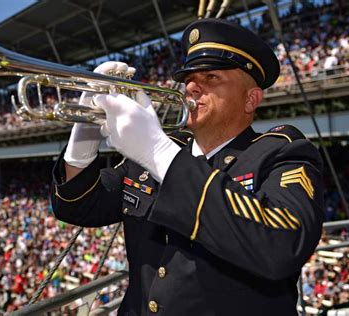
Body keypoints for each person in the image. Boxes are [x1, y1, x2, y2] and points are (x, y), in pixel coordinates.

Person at [51, 18, 325, 315]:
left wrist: (159, 153)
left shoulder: (282, 152)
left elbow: (281, 245)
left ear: (250, 99)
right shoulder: (155, 157)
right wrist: (84, 136)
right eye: (188, 79)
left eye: (211, 78)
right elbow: (76, 207)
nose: (192, 87)